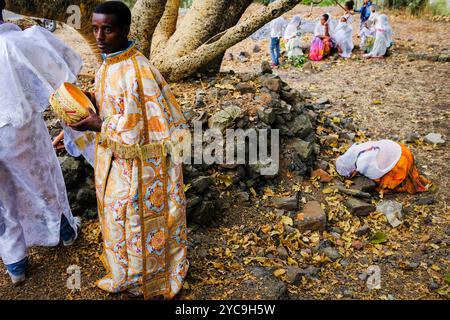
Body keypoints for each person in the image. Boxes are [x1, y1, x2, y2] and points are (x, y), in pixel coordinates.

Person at [69, 1, 189, 299]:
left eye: (107, 29)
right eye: (95, 28)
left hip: (141, 166)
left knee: (135, 220)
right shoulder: (110, 63)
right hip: (116, 159)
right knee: (117, 217)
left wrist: (98, 124)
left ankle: (146, 279)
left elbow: (141, 129)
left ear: (124, 29)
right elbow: (110, 104)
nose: (99, 36)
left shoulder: (137, 71)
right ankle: (126, 272)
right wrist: (85, 103)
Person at [0, 1, 81, 285]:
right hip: (18, 131)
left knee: (2, 199)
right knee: (44, 181)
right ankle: (64, 232)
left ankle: (15, 264)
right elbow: (65, 68)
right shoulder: (17, 42)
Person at [336, 140, 431, 195]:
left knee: (385, 182)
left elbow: (376, 175)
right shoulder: (355, 150)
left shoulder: (362, 163)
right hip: (402, 149)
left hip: (403, 161)